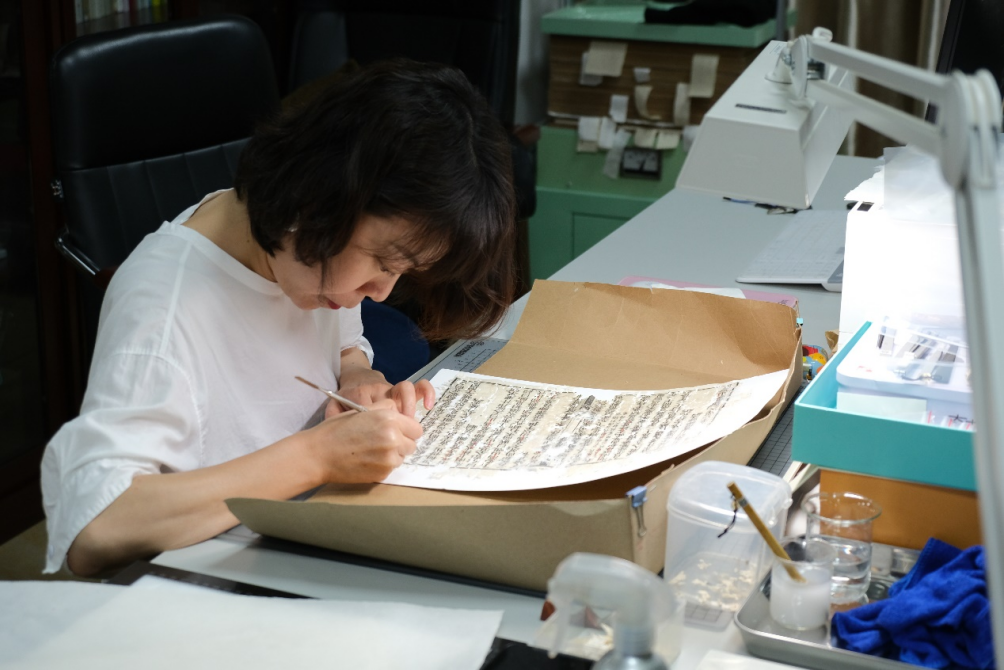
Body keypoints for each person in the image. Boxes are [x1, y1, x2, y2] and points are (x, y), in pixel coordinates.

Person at [41, 60, 518, 577]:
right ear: (317, 200)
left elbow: (344, 341)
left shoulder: (296, 254)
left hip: (308, 531)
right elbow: (95, 529)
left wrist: (357, 374)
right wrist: (316, 457)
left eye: (402, 271)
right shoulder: (164, 308)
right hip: (224, 583)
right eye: (383, 261)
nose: (382, 292)